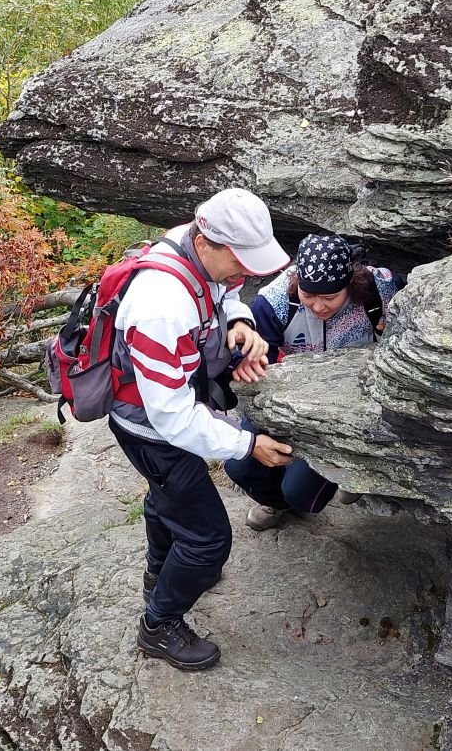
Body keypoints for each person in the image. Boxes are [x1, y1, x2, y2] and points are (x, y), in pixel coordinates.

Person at [110, 187, 296, 672]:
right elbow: (172, 418)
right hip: (152, 431)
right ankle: (159, 626)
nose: (246, 275)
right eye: (240, 262)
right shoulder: (160, 304)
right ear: (206, 242)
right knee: (208, 541)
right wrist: (246, 445)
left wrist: (239, 322)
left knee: (166, 498)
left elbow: (224, 292)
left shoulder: (189, 244)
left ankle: (159, 575)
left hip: (163, 418)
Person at [223, 233, 401, 530]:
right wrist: (248, 362)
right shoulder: (275, 302)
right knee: (240, 466)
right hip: (292, 394)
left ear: (350, 284)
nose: (318, 307)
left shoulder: (378, 289)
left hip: (354, 401)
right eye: (309, 296)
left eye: (330, 297)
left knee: (302, 493)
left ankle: (353, 473)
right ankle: (275, 502)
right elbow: (257, 361)